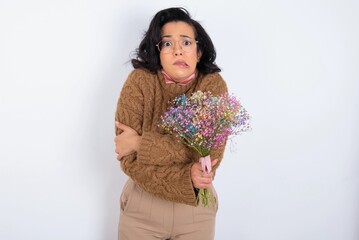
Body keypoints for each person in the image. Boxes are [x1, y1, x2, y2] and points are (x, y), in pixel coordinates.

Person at [114, 7, 228, 240]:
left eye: (186, 42)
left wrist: (140, 143)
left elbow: (209, 155)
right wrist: (187, 176)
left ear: (198, 51)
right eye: (167, 44)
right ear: (157, 51)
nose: (177, 50)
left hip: (196, 209)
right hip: (142, 210)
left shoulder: (213, 86)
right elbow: (127, 158)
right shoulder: (139, 82)